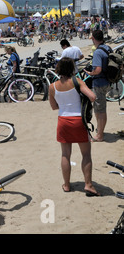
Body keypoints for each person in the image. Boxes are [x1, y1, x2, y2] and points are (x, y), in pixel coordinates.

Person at [48, 57, 100, 196]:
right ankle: (88, 184)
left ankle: (66, 185)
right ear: (72, 68)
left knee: (65, 154)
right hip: (78, 121)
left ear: (58, 69)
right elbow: (92, 97)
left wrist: (65, 104)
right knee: (86, 154)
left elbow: (53, 107)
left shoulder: (52, 87)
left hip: (63, 121)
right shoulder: (77, 81)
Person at [83, 30, 112, 142]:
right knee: (101, 108)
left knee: (100, 110)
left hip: (99, 83)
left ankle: (99, 135)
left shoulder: (97, 52)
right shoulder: (107, 48)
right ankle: (101, 130)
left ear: (94, 39)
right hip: (107, 82)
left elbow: (98, 69)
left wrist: (90, 73)